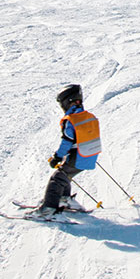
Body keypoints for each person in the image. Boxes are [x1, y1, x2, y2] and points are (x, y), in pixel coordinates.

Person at [30, 84, 101, 218]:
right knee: (65, 175)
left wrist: (57, 157)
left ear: (67, 102)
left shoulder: (71, 120)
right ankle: (63, 198)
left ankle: (48, 210)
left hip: (78, 156)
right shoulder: (88, 116)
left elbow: (67, 142)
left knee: (56, 179)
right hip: (89, 154)